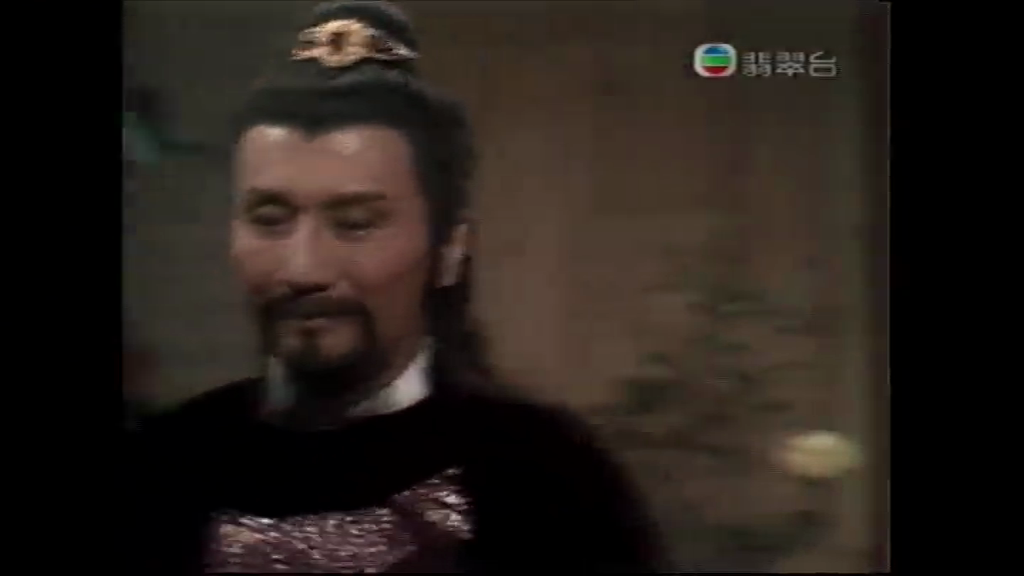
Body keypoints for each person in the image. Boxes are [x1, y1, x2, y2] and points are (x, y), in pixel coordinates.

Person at [129, 2, 665, 573]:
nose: (303, 268)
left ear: (449, 250)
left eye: (356, 223)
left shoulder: (546, 476)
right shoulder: (164, 464)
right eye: (270, 219)